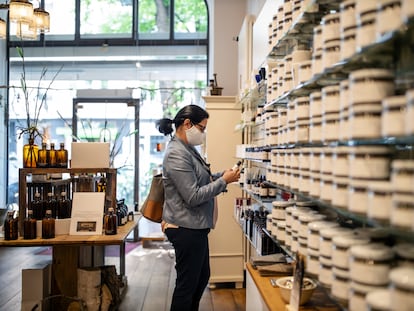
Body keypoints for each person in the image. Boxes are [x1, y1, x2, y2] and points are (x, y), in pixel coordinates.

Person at [156, 104, 240, 311]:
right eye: (202, 129)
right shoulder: (176, 153)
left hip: (195, 226)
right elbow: (192, 196)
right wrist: (224, 182)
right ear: (187, 124)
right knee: (187, 286)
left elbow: (201, 179)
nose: (203, 134)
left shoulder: (187, 149)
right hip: (185, 228)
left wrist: (222, 175)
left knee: (200, 278)